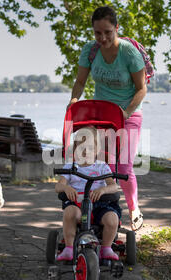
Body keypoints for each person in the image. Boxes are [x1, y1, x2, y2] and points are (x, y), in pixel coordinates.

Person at [67, 5, 146, 230]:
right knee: (101, 163)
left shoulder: (129, 52)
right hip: (101, 114)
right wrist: (74, 100)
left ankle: (133, 208)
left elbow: (142, 89)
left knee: (123, 166)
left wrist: (126, 111)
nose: (102, 38)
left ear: (117, 28)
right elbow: (80, 82)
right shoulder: (90, 51)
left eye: (108, 32)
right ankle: (103, 212)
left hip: (128, 113)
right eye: (98, 33)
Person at [55, 127, 122, 261]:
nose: (85, 151)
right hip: (77, 203)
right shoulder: (71, 166)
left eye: (90, 148)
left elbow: (114, 186)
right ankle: (69, 248)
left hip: (99, 204)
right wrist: (66, 188)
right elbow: (58, 186)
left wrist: (102, 190)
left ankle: (106, 248)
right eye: (81, 147)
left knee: (112, 219)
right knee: (69, 212)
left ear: (97, 150)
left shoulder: (102, 167)